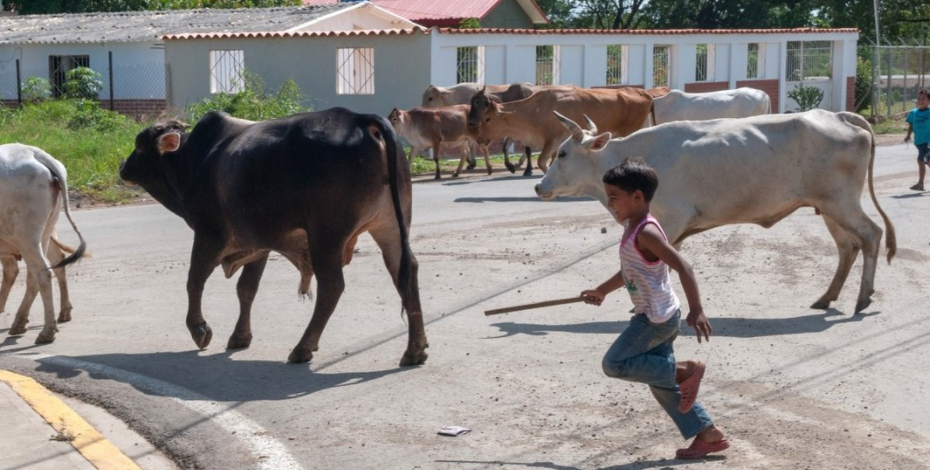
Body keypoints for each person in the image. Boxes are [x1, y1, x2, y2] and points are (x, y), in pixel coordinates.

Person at [580, 157, 728, 459]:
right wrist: (602, 291)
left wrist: (697, 309)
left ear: (637, 197)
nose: (609, 204)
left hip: (655, 320)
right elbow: (630, 271)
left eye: (614, 198)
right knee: (660, 383)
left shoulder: (646, 232)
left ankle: (686, 370)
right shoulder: (634, 226)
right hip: (661, 315)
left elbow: (684, 266)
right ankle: (708, 434)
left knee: (615, 364)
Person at [905, 88, 930, 191]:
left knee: (920, 160)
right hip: (918, 142)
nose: (921, 101)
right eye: (919, 99)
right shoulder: (913, 113)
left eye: (923, 99)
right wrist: (908, 135)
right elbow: (911, 125)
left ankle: (920, 184)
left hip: (927, 141)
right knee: (928, 161)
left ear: (929, 101)